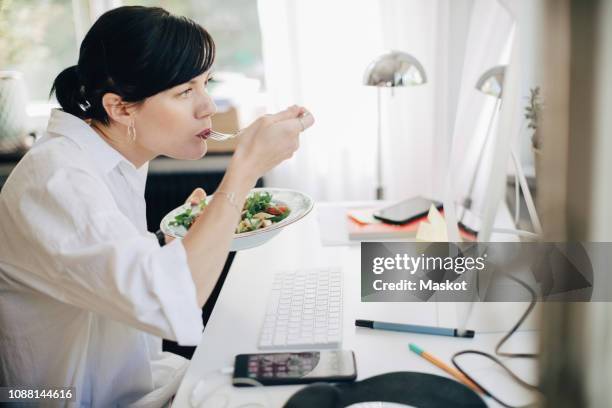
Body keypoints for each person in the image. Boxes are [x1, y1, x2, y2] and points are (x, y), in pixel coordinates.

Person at [0, 6, 314, 406]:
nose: (208, 107)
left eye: (205, 83)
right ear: (120, 107)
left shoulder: (113, 157)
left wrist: (182, 234)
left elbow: (114, 269)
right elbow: (169, 301)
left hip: (136, 378)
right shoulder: (57, 181)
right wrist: (245, 168)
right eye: (185, 92)